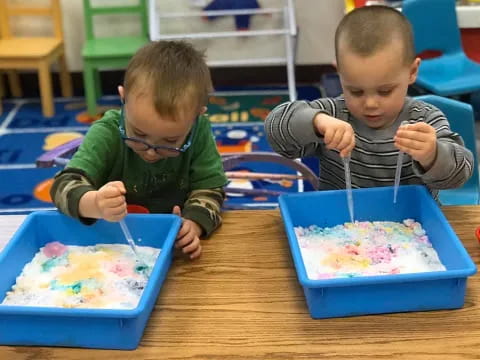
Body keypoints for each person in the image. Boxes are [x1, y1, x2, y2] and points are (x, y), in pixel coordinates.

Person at [264, 5, 473, 200]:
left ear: (412, 72)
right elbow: (276, 131)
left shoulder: (425, 119)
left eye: (385, 91)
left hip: (412, 227)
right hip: (340, 225)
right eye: (356, 91)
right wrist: (316, 123)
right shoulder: (332, 115)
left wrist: (432, 154)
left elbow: (459, 176)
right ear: (340, 73)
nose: (371, 103)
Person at [50, 40, 228, 260]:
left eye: (170, 140)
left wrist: (194, 224)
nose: (151, 151)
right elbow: (62, 186)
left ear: (197, 116)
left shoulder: (199, 131)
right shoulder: (107, 132)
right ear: (123, 97)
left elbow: (211, 188)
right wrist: (94, 203)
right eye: (139, 135)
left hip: (170, 248)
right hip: (111, 245)